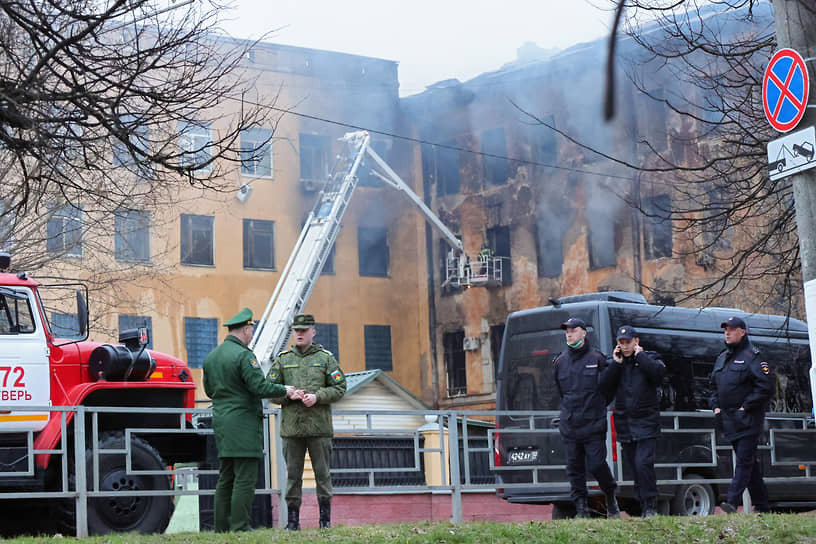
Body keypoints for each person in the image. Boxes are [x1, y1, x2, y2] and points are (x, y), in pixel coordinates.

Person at [202, 307, 299, 532]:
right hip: (243, 424)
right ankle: (240, 527)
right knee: (245, 478)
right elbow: (259, 386)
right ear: (246, 329)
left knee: (225, 478)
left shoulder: (211, 357)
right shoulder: (244, 356)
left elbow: (209, 391)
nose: (252, 334)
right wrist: (284, 389)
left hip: (222, 424)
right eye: (251, 330)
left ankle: (222, 528)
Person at [268, 314, 347, 530]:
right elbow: (269, 390)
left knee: (323, 475)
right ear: (293, 332)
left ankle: (325, 521)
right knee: (293, 476)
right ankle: (293, 522)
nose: (300, 334)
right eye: (297, 330)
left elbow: (340, 387)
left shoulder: (326, 358)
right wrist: (288, 395)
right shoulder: (283, 360)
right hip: (292, 429)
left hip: (319, 428)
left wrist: (318, 397)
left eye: (304, 330)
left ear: (313, 331)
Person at [554, 316, 620, 518]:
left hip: (593, 425)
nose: (569, 333)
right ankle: (581, 509)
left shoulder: (597, 358)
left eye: (573, 330)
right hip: (571, 425)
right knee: (574, 469)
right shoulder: (560, 362)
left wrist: (597, 408)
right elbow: (561, 392)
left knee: (597, 464)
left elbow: (608, 389)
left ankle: (610, 495)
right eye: (567, 330)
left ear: (583, 332)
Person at [709, 316, 773, 514]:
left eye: (731, 329)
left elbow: (765, 386)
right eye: (725, 329)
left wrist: (746, 407)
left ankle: (731, 501)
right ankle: (763, 506)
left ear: (742, 332)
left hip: (748, 420)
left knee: (744, 461)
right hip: (729, 421)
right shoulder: (722, 358)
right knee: (750, 465)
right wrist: (715, 407)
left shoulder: (752, 356)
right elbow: (712, 386)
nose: (727, 332)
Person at [608, 325, 666, 517]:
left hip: (646, 423)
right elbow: (604, 389)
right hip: (626, 425)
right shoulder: (616, 363)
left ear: (636, 341)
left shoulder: (650, 358)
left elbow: (658, 375)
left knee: (643, 464)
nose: (624, 346)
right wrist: (615, 365)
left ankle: (650, 505)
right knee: (635, 467)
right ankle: (644, 505)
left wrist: (641, 357)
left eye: (628, 342)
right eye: (621, 342)